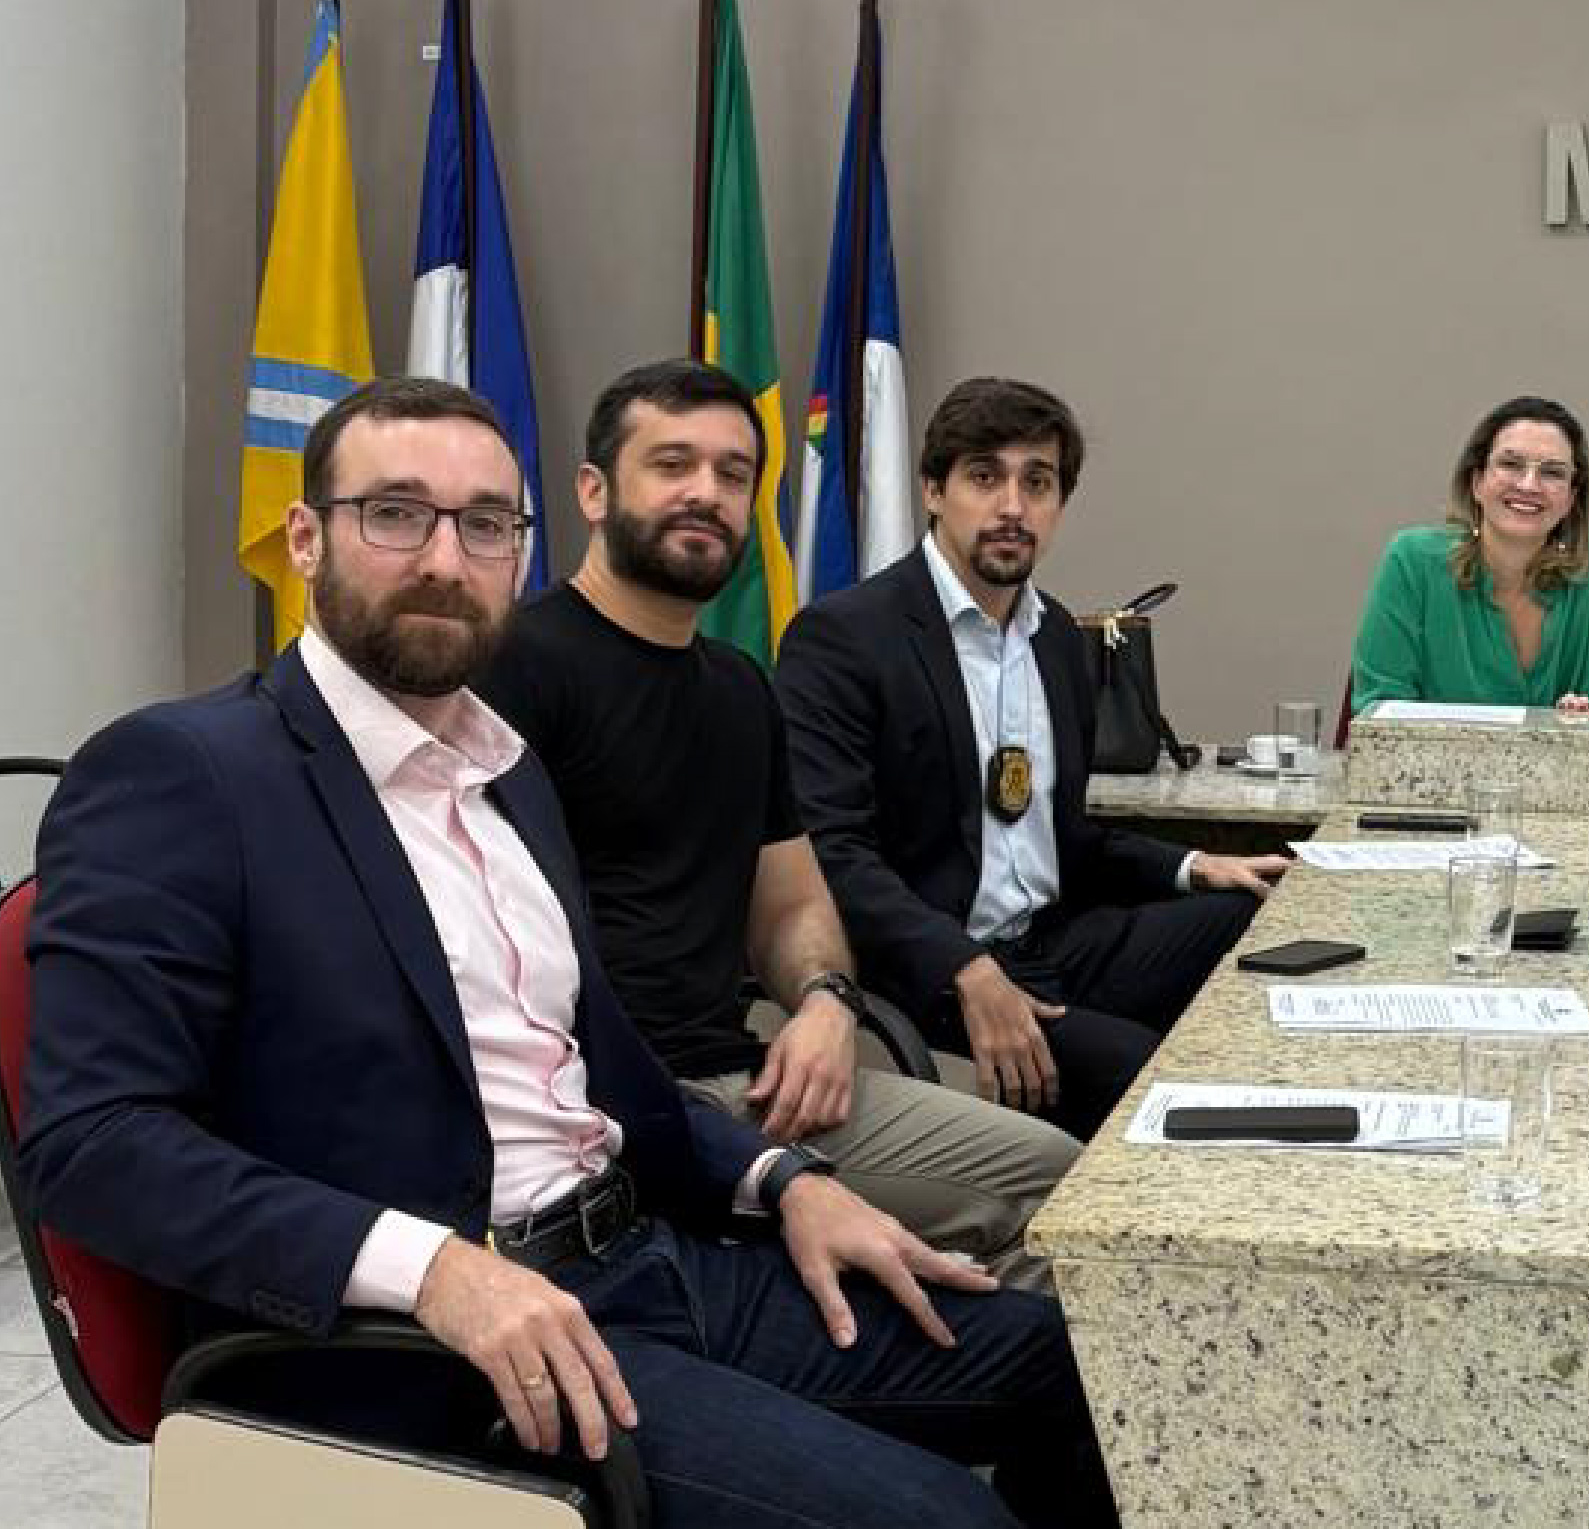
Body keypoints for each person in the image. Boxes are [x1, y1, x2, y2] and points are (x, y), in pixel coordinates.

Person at [18, 376, 1116, 1529]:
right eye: (396, 512)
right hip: (429, 1344)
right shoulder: (183, 773)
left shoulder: (506, 771)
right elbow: (95, 1142)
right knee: (945, 1519)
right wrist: (437, 1270)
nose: (446, 556)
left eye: (487, 523)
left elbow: (598, 1061)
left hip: (640, 1257)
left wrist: (781, 1177)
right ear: (305, 537)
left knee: (1072, 1360)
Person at [479, 360, 1081, 1291]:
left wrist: (828, 1000)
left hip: (751, 1078)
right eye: (671, 464)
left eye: (731, 474)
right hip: (608, 1110)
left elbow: (793, 899)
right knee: (1052, 1212)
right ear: (592, 491)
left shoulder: (737, 688)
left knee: (1070, 1184)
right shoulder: (513, 669)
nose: (704, 494)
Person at [777, 378, 1286, 1146]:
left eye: (1037, 482)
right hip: (930, 973)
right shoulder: (845, 638)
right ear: (933, 490)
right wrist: (967, 969)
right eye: (984, 476)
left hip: (1049, 943)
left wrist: (1191, 864)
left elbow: (1064, 838)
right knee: (1145, 1075)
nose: (1012, 505)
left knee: (1256, 924)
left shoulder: (1055, 640)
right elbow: (835, 856)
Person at [1347, 395, 1589, 713]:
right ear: (1477, 482)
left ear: (1570, 499)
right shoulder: (1412, 561)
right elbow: (1381, 709)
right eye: (1511, 465)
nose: (1529, 485)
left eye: (1552, 472)